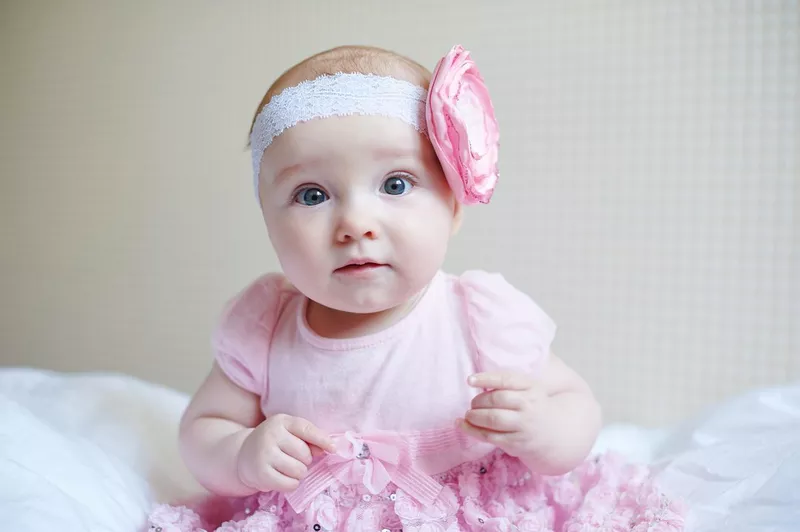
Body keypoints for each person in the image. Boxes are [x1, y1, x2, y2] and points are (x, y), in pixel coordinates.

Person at [147, 44, 684, 531]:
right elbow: (203, 430)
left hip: (466, 513)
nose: (356, 223)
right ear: (267, 220)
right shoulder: (265, 327)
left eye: (396, 184)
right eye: (312, 195)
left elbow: (575, 404)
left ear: (452, 207)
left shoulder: (478, 318)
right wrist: (242, 454)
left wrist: (544, 430)